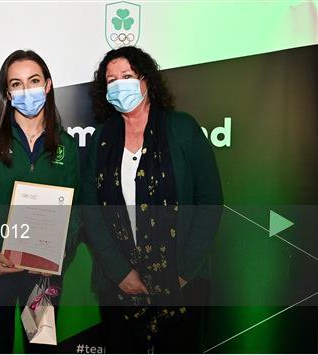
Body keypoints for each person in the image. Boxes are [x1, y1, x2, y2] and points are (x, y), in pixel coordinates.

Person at [81, 46, 223, 353]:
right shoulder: (101, 139)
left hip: (182, 283)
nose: (119, 84)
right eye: (111, 80)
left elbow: (210, 202)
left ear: (147, 81)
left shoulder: (182, 128)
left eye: (127, 76)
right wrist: (120, 272)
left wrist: (183, 271)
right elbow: (90, 212)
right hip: (118, 285)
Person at [0, 49, 81, 353]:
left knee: (40, 344)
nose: (27, 91)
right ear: (7, 93)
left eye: (34, 80)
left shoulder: (65, 144)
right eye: (16, 84)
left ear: (48, 85)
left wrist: (60, 253)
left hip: (42, 275)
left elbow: (77, 210)